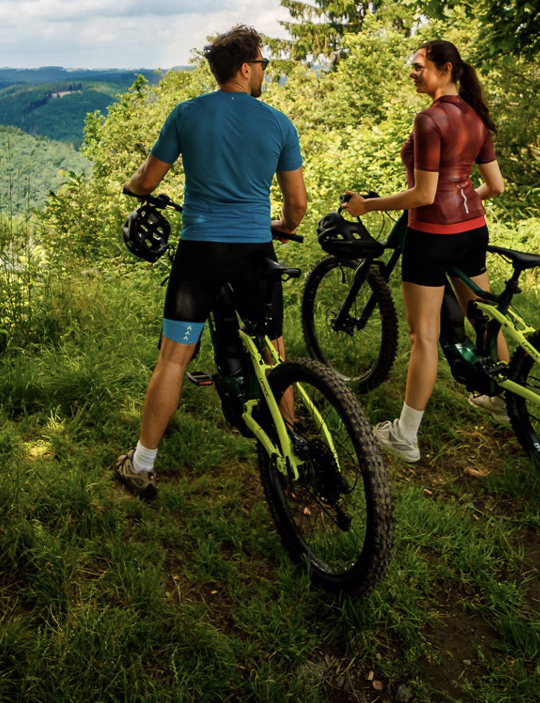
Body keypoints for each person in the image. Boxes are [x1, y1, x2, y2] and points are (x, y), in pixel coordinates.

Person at [113, 25, 307, 498]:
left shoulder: (187, 114)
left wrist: (134, 189)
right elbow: (297, 206)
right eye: (262, 63)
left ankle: (141, 464)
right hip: (255, 250)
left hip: (199, 252)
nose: (263, 71)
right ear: (245, 68)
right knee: (272, 348)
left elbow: (146, 180)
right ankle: (290, 445)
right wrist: (278, 225)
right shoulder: (279, 123)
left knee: (174, 359)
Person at [341, 40, 507, 463]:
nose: (412, 72)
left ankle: (405, 435)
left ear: (445, 69)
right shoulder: (475, 115)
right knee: (484, 318)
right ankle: (504, 401)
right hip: (473, 229)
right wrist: (465, 201)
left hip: (432, 235)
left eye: (418, 67)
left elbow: (423, 194)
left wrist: (367, 205)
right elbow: (495, 186)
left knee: (424, 336)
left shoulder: (429, 119)